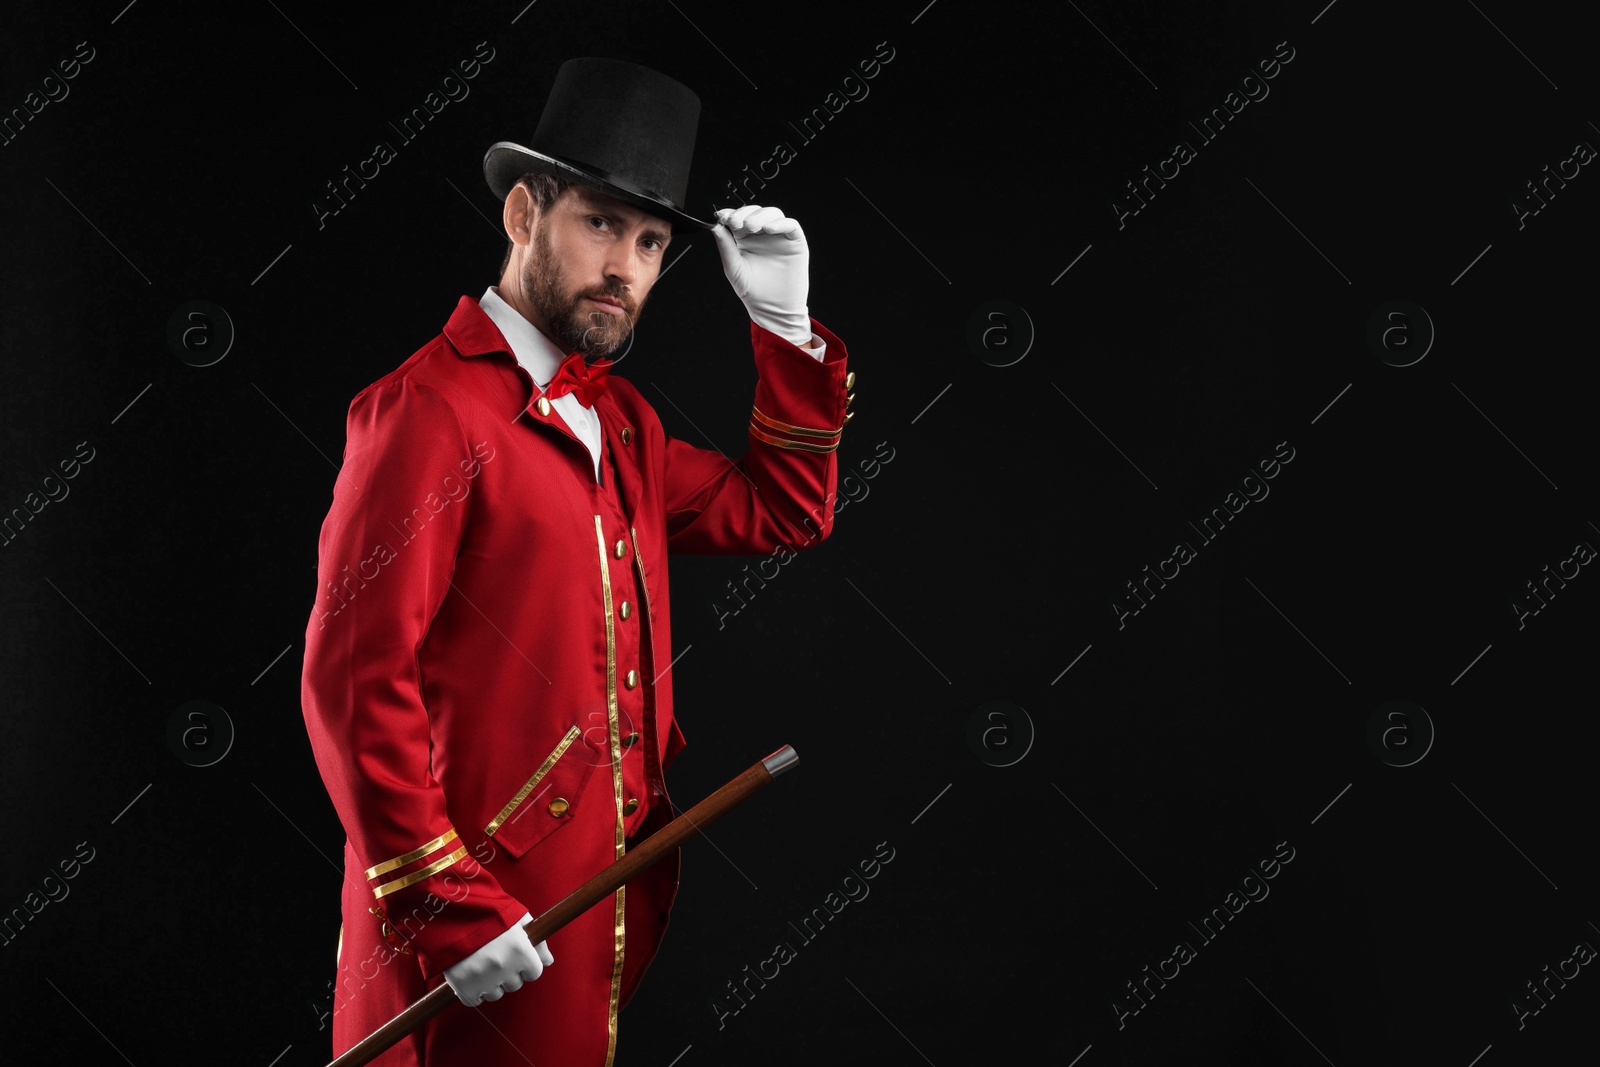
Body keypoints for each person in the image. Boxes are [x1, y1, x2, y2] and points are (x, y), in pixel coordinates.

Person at [300, 57, 853, 1066]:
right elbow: (352, 678)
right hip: (468, 914)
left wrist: (780, 326)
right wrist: (443, 900)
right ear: (523, 214)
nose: (627, 267)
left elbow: (782, 512)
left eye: (649, 243)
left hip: (586, 900)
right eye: (601, 224)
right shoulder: (424, 411)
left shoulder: (623, 422)